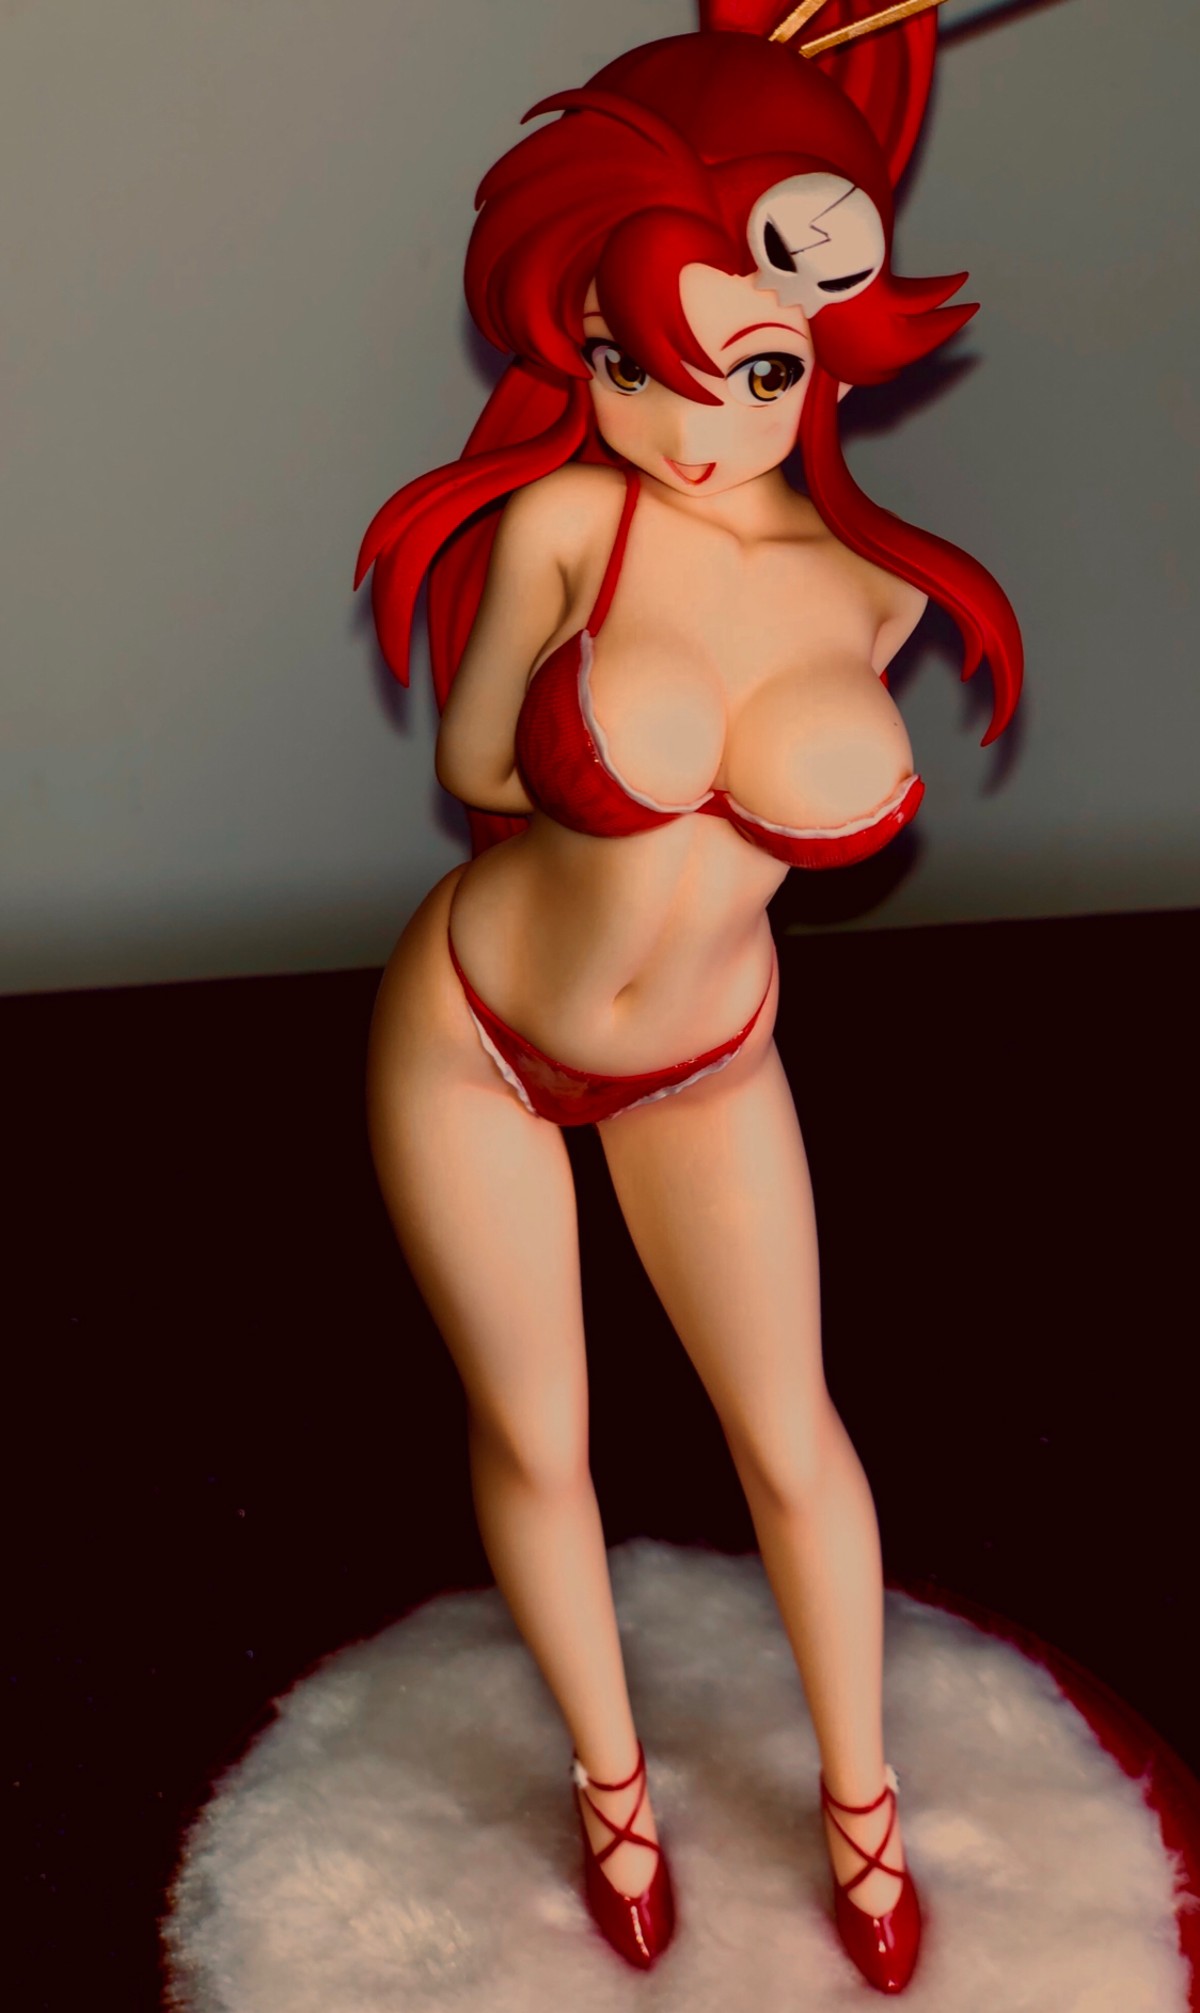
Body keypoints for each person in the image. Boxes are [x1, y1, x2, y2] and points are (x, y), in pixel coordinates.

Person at [355, 0, 1021, 1991]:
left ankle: (863, 1806)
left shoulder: (879, 593)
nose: (689, 419)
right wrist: (597, 725)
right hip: (475, 1035)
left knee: (792, 1431)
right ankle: (615, 1784)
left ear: (830, 338)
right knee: (541, 1432)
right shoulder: (569, 520)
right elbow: (477, 770)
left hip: (708, 1061)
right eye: (626, 360)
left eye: (750, 366)